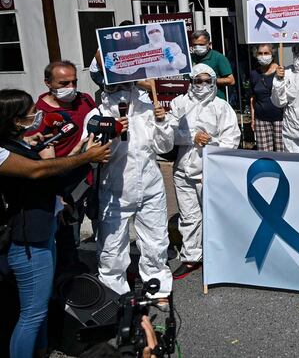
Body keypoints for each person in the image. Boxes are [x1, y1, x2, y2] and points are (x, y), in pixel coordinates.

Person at [0, 90, 107, 358]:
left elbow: (44, 175)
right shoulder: (2, 151)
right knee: (31, 315)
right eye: (29, 115)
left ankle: (42, 351)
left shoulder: (18, 142)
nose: (36, 118)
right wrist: (86, 157)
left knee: (41, 307)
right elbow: (38, 171)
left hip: (43, 232)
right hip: (26, 242)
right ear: (14, 121)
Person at [85, 81, 174, 299]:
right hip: (116, 190)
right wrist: (112, 134)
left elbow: (164, 147)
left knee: (156, 240)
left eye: (125, 83)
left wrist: (162, 122)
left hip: (150, 186)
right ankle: (115, 295)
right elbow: (90, 156)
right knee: (112, 247)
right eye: (115, 85)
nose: (121, 90)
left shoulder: (146, 109)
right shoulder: (96, 115)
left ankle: (157, 287)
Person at [168, 64, 240, 279]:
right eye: (197, 80)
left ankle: (217, 257)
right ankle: (191, 257)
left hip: (209, 170)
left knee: (214, 215)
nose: (202, 85)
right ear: (191, 81)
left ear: (214, 81)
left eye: (207, 80)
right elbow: (167, 135)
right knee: (189, 216)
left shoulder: (221, 106)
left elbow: (231, 139)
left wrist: (211, 143)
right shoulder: (179, 103)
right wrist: (192, 137)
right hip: (182, 169)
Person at [34, 60, 98, 269]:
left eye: (74, 82)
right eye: (63, 83)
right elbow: (45, 161)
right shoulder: (41, 114)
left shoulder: (85, 100)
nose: (71, 88)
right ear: (48, 83)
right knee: (69, 235)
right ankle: (69, 281)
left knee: (104, 224)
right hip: (66, 184)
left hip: (93, 175)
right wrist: (58, 193)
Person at [104, 23, 187, 80]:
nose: (154, 34)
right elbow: (130, 67)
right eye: (151, 32)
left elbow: (182, 63)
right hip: (154, 86)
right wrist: (114, 66)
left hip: (173, 82)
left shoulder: (173, 46)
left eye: (157, 30)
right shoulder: (143, 50)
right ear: (147, 35)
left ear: (161, 31)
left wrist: (174, 60)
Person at [249, 44, 284, 152]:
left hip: (280, 119)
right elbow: (252, 98)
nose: (263, 56)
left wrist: (281, 77)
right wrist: (253, 119)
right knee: (264, 154)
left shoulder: (281, 71)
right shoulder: (254, 74)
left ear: (272, 54)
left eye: (266, 53)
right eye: (260, 53)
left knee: (281, 153)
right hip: (261, 120)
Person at [190, 30, 235, 99]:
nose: (197, 47)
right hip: (194, 100)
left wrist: (209, 80)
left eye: (201, 45)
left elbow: (231, 80)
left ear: (209, 44)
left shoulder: (218, 58)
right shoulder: (190, 58)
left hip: (214, 100)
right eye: (195, 45)